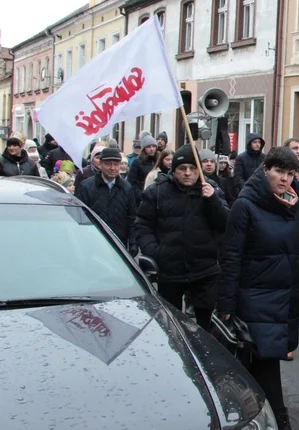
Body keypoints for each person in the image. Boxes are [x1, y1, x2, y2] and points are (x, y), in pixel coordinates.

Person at [218, 147, 299, 430]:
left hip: (283, 295)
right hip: (254, 296)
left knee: (260, 365)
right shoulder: (246, 205)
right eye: (279, 172)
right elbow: (232, 256)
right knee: (264, 364)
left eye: (290, 173)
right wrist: (227, 305)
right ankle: (281, 427)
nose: (285, 179)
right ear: (266, 169)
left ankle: (256, 424)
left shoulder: (295, 204)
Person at [134, 145, 229, 330]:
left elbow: (225, 223)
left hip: (204, 270)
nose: (187, 173)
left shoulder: (211, 189)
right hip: (170, 271)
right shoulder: (157, 191)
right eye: (182, 169)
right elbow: (143, 225)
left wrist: (213, 201)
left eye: (192, 169)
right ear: (173, 170)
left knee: (204, 324)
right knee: (171, 325)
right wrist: (156, 252)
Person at [76, 147, 136, 252]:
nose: (112, 168)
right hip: (93, 244)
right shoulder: (87, 187)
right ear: (100, 164)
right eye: (108, 164)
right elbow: (80, 217)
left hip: (118, 244)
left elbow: (132, 218)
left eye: (116, 164)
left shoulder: (127, 188)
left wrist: (133, 242)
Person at [128, 135, 159, 203]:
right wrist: (141, 195)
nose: (152, 149)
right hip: (142, 198)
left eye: (153, 146)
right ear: (144, 148)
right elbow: (131, 182)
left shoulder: (159, 161)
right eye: (148, 146)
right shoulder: (137, 162)